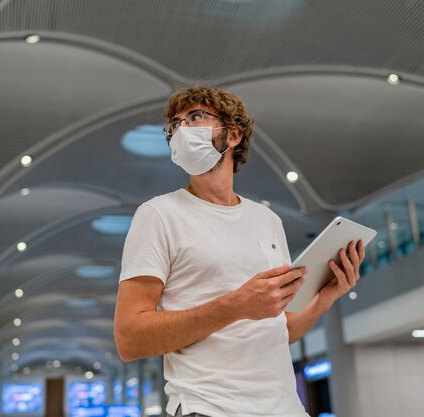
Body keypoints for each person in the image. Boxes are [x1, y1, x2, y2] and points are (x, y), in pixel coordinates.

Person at [114, 86, 365, 417]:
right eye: (175, 125)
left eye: (195, 117)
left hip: (286, 409)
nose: (181, 130)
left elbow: (275, 331)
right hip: (208, 408)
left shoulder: (267, 220)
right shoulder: (159, 215)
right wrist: (234, 307)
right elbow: (130, 339)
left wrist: (323, 301)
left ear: (233, 134)